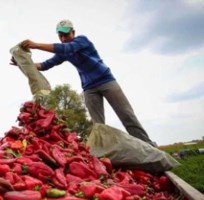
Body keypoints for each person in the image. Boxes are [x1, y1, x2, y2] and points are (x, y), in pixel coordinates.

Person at [11, 19, 156, 147]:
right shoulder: (64, 52)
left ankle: (147, 145)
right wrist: (22, 63)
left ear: (73, 32)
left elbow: (67, 47)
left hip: (106, 81)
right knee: (98, 125)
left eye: (66, 34)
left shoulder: (82, 41)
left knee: (126, 114)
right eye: (60, 36)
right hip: (89, 88)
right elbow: (45, 65)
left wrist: (37, 45)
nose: (63, 38)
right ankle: (104, 151)